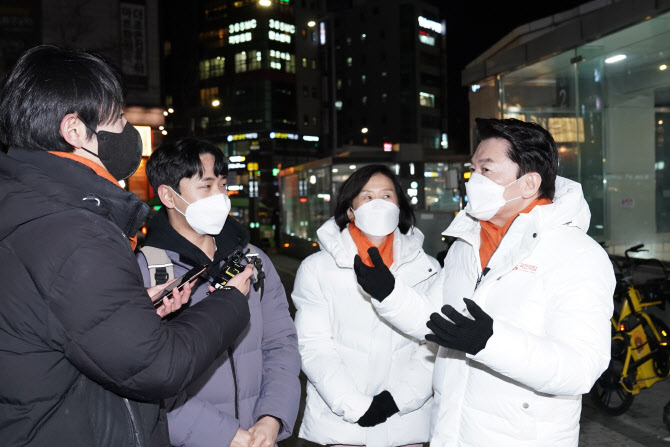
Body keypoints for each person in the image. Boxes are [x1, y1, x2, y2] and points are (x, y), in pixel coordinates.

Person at [0, 45, 251, 447]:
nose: (126, 132)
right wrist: (231, 302)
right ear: (75, 131)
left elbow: (67, 328)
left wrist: (133, 314)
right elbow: (157, 366)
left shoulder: (31, 209)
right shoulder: (75, 231)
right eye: (117, 119)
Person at [354, 118, 616, 446]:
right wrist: (388, 293)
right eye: (472, 169)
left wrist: (491, 342)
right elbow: (434, 321)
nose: (473, 180)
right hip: (451, 432)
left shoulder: (576, 254)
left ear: (528, 183)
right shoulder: (467, 245)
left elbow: (581, 368)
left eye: (486, 170)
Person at [137, 138, 301, 447]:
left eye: (222, 185)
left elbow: (281, 345)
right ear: (168, 196)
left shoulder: (253, 261)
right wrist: (221, 434)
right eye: (207, 186)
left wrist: (272, 417)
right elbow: (144, 376)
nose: (220, 197)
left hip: (259, 437)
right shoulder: (146, 273)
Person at [292, 164, 440, 447]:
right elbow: (313, 346)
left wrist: (395, 401)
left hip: (406, 428)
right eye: (367, 197)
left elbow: (433, 346)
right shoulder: (317, 268)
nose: (378, 205)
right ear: (350, 209)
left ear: (399, 205)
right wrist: (355, 406)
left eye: (387, 196)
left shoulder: (427, 268)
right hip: (340, 430)